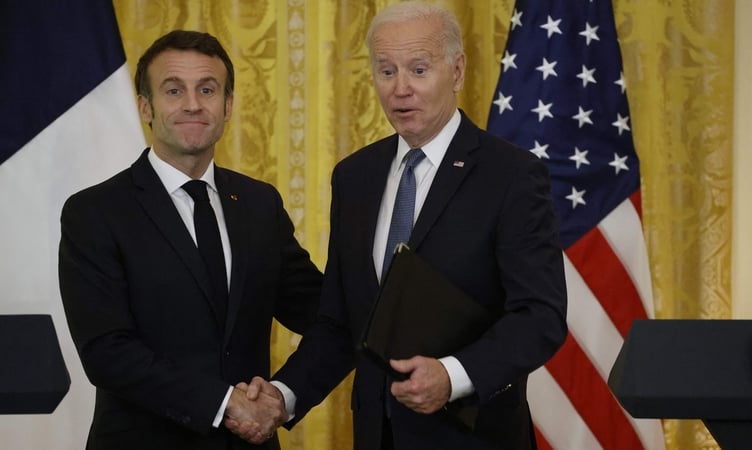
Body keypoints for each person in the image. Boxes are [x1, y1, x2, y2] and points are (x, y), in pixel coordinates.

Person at [240, 2, 568, 449]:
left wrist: (453, 376)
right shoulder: (355, 176)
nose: (401, 89)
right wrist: (283, 395)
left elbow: (539, 316)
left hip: (474, 436)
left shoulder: (510, 175)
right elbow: (342, 322)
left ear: (456, 71)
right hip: (378, 436)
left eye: (418, 69)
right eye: (386, 71)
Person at [58, 30, 321, 449]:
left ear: (228, 105)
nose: (193, 104)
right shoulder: (95, 212)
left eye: (208, 89)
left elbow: (323, 314)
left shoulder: (259, 204)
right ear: (146, 106)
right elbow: (107, 352)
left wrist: (283, 395)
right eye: (173, 90)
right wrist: (223, 403)